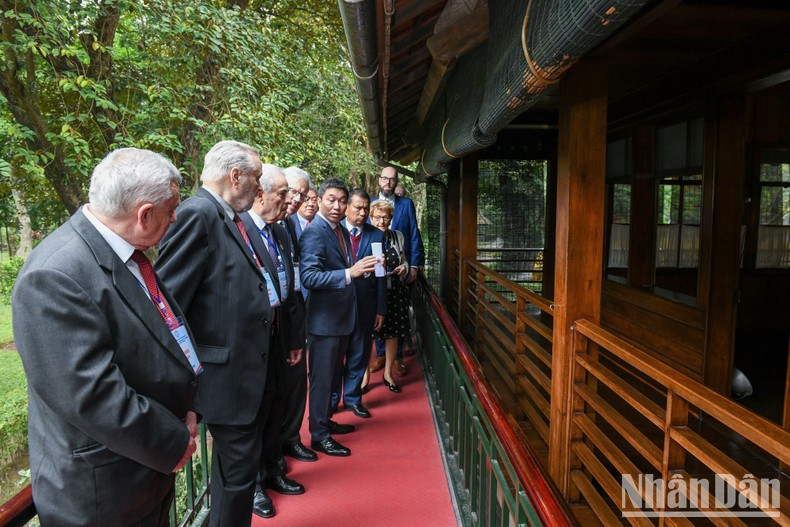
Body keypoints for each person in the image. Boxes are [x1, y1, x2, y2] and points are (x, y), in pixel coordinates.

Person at [12, 148, 199, 526]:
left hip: (138, 474)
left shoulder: (125, 253)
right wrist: (173, 440)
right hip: (103, 493)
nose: (176, 217)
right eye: (171, 209)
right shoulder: (55, 275)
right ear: (144, 214)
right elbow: (91, 395)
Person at [155, 140, 270, 527]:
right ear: (235, 175)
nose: (259, 188)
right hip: (222, 381)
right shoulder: (197, 214)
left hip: (241, 377)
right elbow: (170, 307)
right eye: (255, 179)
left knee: (237, 479)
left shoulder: (226, 216)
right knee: (237, 480)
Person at [240, 165, 304, 519]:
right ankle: (253, 486)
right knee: (254, 415)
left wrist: (293, 338)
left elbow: (288, 286)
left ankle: (273, 470)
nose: (289, 201)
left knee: (276, 406)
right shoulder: (241, 230)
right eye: (283, 194)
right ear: (260, 194)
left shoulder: (280, 231)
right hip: (250, 344)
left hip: (278, 337)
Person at [300, 178, 379, 456]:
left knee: (333, 377)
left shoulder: (340, 231)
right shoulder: (314, 232)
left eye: (342, 201)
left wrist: (360, 270)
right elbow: (308, 277)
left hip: (344, 317)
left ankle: (325, 422)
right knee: (322, 379)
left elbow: (348, 268)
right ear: (319, 200)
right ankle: (319, 435)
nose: (337, 205)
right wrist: (349, 273)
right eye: (331, 199)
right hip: (324, 322)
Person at [332, 189, 387, 417]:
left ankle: (353, 399)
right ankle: (332, 401)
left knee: (360, 353)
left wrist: (380, 308)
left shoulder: (376, 235)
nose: (363, 212)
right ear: (347, 207)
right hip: (337, 305)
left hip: (366, 303)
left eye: (366, 208)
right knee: (335, 357)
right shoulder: (334, 231)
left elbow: (381, 274)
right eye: (358, 208)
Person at [276, 166, 317, 464]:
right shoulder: (265, 223)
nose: (295, 199)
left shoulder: (287, 226)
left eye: (301, 194)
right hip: (271, 321)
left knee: (294, 385)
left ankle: (291, 439)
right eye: (291, 191)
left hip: (293, 314)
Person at [371, 166, 425, 376]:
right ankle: (381, 355)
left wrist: (413, 264)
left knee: (398, 314)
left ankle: (397, 358)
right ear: (380, 180)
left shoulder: (406, 204)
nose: (388, 182)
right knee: (378, 314)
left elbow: (413, 233)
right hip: (376, 271)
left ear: (396, 182)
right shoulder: (371, 205)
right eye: (385, 178)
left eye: (392, 179)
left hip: (399, 268)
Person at [369, 199, 411, 393]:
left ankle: (388, 373)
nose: (382, 221)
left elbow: (403, 259)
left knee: (392, 332)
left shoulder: (397, 236)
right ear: (371, 217)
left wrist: (405, 267)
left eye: (386, 217)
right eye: (378, 217)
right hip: (372, 292)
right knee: (367, 333)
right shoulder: (366, 235)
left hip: (394, 290)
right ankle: (364, 376)